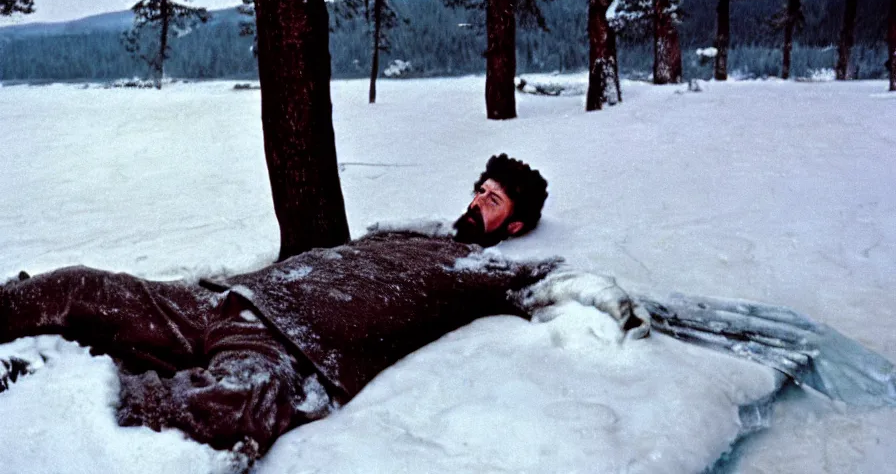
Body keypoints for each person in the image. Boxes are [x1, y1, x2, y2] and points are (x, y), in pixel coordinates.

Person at [2, 154, 646, 457]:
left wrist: (616, 304)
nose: (479, 201)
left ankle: (66, 385)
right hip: (223, 297)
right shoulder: (410, 230)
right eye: (480, 189)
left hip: (287, 341)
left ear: (513, 225)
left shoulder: (492, 271)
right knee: (79, 285)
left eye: (494, 200)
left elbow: (568, 284)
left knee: (236, 403)